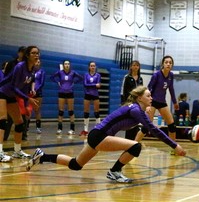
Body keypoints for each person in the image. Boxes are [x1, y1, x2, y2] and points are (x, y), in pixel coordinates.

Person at [26, 86, 186, 183]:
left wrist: (148, 113)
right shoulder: (136, 110)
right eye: (148, 96)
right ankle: (115, 171)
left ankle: (43, 156)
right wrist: (175, 145)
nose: (151, 98)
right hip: (100, 135)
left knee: (76, 165)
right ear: (139, 98)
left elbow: (147, 127)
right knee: (136, 147)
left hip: (97, 134)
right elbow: (154, 130)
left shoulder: (138, 109)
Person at [0, 45, 39, 162]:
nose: (36, 55)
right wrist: (28, 98)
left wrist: (27, 104)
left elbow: (25, 88)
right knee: (2, 119)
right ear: (27, 55)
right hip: (2, 91)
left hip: (11, 95)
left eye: (37, 53)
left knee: (19, 122)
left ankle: (17, 151)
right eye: (33, 53)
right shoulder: (20, 66)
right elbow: (14, 87)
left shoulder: (33, 70)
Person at [135, 56, 179, 155]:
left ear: (172, 65)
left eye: (170, 62)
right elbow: (149, 89)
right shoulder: (156, 75)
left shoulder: (171, 75)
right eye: (166, 62)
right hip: (153, 101)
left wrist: (175, 102)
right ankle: (133, 146)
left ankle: (173, 148)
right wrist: (148, 104)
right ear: (162, 64)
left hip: (162, 102)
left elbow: (171, 89)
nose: (168, 64)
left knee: (172, 126)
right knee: (146, 126)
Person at [50, 60, 83, 135]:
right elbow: (52, 77)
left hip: (70, 93)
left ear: (70, 65)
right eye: (65, 64)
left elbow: (81, 78)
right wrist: (57, 82)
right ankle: (59, 129)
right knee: (61, 111)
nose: (67, 65)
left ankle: (72, 129)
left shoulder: (73, 72)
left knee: (71, 111)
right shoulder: (60, 72)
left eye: (68, 64)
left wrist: (74, 82)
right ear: (63, 65)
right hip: (61, 92)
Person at [120, 60, 143, 140]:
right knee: (129, 121)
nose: (135, 67)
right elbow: (123, 90)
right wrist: (123, 103)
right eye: (134, 65)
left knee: (136, 120)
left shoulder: (140, 78)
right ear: (131, 67)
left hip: (137, 104)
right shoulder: (127, 77)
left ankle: (134, 140)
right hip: (129, 103)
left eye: (137, 65)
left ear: (139, 67)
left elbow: (142, 91)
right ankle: (128, 139)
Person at [79, 61, 101, 137]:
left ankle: (98, 129)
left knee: (97, 112)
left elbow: (99, 85)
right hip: (87, 94)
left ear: (95, 67)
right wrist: (95, 85)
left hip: (95, 94)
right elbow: (85, 84)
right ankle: (85, 130)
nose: (92, 67)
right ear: (89, 67)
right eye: (91, 66)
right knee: (86, 112)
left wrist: (92, 85)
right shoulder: (86, 75)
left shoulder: (98, 75)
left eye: (94, 66)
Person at [30, 59, 45, 134]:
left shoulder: (42, 71)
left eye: (38, 62)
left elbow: (41, 83)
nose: (37, 63)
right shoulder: (30, 71)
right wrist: (30, 90)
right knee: (28, 110)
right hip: (29, 93)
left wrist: (35, 90)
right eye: (36, 62)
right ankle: (26, 127)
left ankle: (38, 127)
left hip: (38, 93)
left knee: (37, 110)